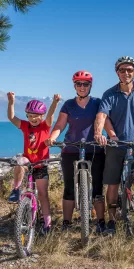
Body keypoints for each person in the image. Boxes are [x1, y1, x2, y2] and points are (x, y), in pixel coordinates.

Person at [94, 56, 134, 235]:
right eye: (122, 70)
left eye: (129, 70)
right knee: (113, 184)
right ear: (117, 73)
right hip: (116, 145)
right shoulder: (109, 93)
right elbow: (102, 115)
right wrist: (101, 133)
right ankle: (112, 221)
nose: (126, 73)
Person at [45, 70, 114, 234]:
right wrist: (53, 138)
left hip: (94, 149)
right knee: (69, 187)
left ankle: (100, 222)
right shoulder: (68, 104)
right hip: (71, 149)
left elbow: (104, 121)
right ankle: (66, 223)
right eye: (79, 84)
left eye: (85, 84)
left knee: (97, 187)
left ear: (90, 85)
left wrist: (112, 136)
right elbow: (60, 125)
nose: (82, 87)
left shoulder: (98, 102)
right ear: (74, 85)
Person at [7, 92, 61, 233]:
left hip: (42, 164)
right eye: (30, 116)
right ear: (27, 117)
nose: (33, 119)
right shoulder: (25, 126)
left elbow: (50, 116)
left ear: (41, 116)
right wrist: (11, 102)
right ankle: (16, 189)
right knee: (19, 162)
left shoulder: (45, 126)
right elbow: (12, 118)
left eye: (36, 116)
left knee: (43, 195)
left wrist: (54, 103)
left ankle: (47, 224)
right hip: (28, 162)